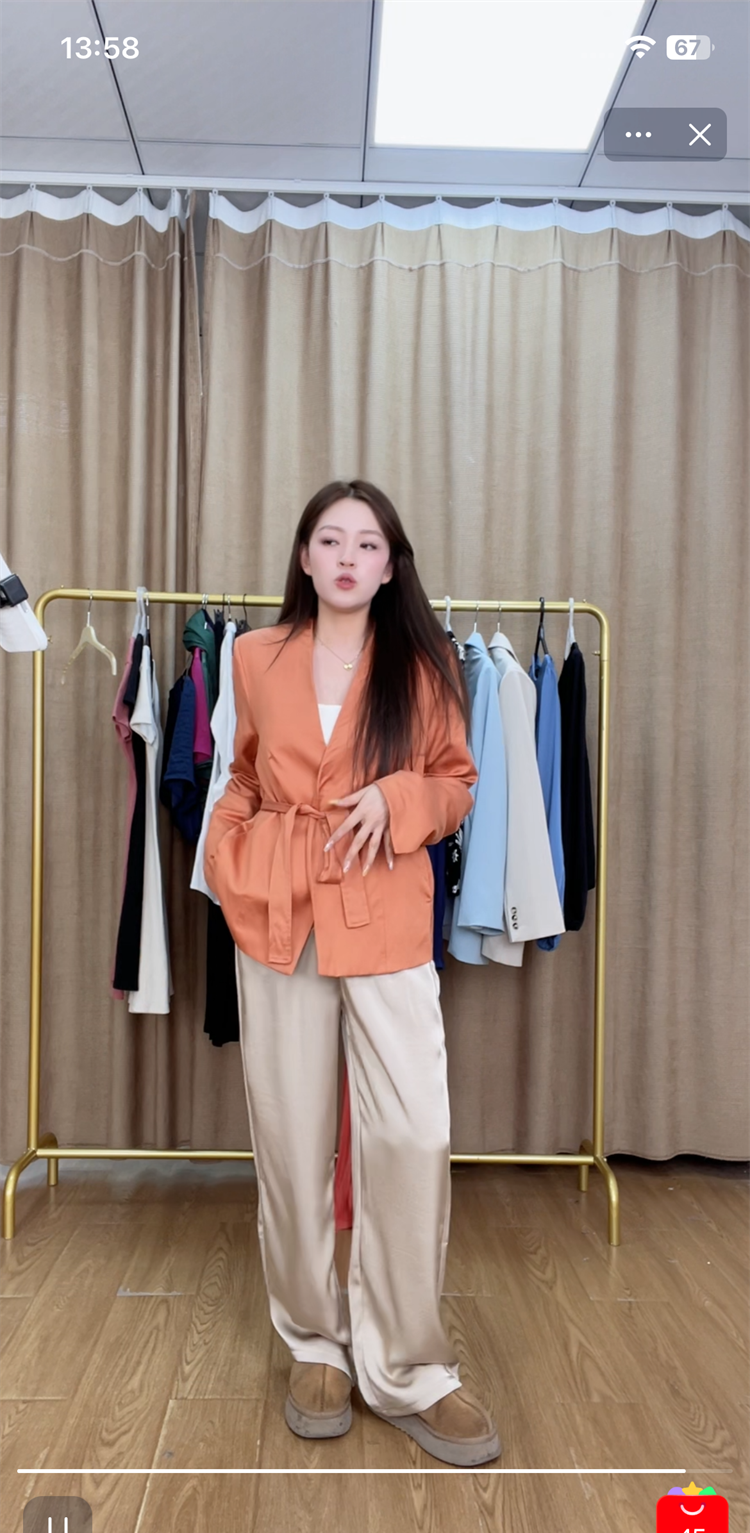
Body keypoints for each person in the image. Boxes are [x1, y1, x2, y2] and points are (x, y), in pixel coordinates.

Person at [204, 478, 501, 1467]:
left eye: (366, 544)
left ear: (388, 564)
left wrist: (398, 798)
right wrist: (231, 864)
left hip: (385, 917)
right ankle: (315, 1346)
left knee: (412, 1135)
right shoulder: (254, 654)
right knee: (293, 1145)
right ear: (304, 556)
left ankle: (409, 1367)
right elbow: (242, 777)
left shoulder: (425, 661)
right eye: (329, 540)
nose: (346, 557)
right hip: (280, 915)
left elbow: (458, 782)